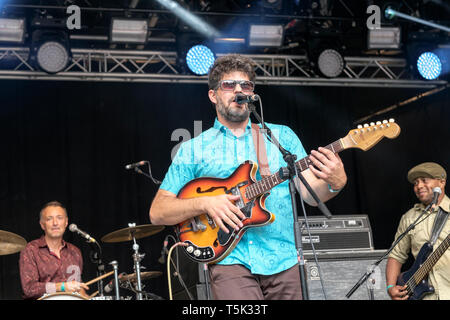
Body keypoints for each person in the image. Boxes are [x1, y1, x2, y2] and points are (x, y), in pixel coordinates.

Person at [149, 54, 347, 300]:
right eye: (229, 85)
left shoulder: (280, 137)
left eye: (246, 86)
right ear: (213, 95)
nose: (239, 90)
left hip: (284, 259)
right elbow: (158, 212)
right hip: (230, 261)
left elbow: (310, 194)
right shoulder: (193, 149)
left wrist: (335, 183)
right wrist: (204, 203)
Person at [386, 162, 449, 300]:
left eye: (424, 180)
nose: (419, 186)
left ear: (442, 182)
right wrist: (390, 287)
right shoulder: (409, 218)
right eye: (415, 183)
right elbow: (396, 255)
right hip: (421, 296)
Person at [19, 201, 89, 299]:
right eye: (49, 219)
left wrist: (83, 294)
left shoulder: (75, 252)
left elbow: (77, 287)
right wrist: (62, 286)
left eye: (59, 218)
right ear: (42, 224)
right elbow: (29, 289)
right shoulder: (30, 250)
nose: (55, 223)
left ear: (66, 222)